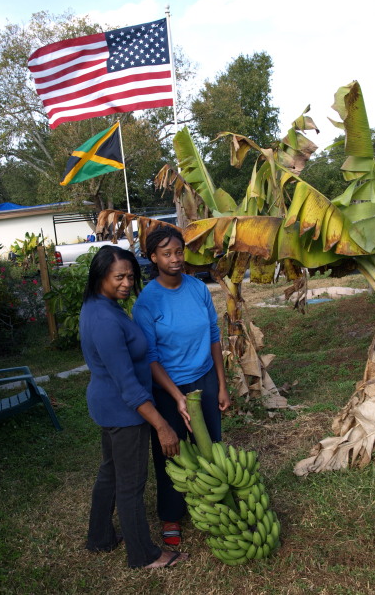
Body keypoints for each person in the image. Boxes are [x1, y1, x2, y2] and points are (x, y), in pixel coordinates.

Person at [79, 245, 188, 569]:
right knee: (130, 485)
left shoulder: (100, 306)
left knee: (110, 473)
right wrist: (162, 425)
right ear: (101, 276)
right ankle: (144, 555)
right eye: (119, 277)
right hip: (125, 413)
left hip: (108, 406)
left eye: (130, 276)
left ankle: (99, 537)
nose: (127, 283)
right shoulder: (105, 320)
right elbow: (128, 386)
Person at [132, 226, 230, 546]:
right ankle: (171, 515)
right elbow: (150, 357)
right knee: (171, 452)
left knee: (210, 446)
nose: (175, 259)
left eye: (178, 251)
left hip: (205, 378)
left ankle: (212, 503)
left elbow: (214, 336)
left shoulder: (198, 288)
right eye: (166, 254)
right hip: (167, 386)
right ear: (153, 258)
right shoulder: (147, 302)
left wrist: (222, 384)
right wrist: (177, 397)